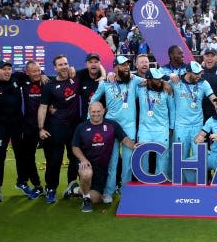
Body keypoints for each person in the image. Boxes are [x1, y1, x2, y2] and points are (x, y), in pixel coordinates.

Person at [90, 55, 145, 203]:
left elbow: (150, 82)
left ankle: (125, 189)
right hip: (111, 127)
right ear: (115, 68)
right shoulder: (106, 83)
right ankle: (109, 191)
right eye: (122, 65)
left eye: (127, 64)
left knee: (127, 162)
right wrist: (91, 121)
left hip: (129, 128)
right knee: (112, 161)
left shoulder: (134, 80)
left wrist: (170, 80)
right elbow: (94, 100)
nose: (126, 67)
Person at [72, 102, 139, 213]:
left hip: (101, 168)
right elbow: (75, 147)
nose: (96, 114)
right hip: (86, 163)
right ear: (89, 111)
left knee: (96, 198)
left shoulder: (112, 125)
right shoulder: (81, 127)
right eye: (93, 112)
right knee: (86, 173)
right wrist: (83, 159)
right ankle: (85, 200)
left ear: (103, 111)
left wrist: (133, 146)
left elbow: (124, 139)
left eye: (98, 111)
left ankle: (74, 189)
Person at [38, 55, 82, 204]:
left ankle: (71, 186)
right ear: (55, 68)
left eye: (66, 63)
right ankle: (51, 189)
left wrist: (105, 73)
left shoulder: (76, 78)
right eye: (60, 65)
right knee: (54, 160)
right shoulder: (49, 85)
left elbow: (95, 68)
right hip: (56, 128)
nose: (64, 66)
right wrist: (41, 128)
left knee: (74, 159)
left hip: (74, 128)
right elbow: (43, 107)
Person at [0, 61, 28, 202]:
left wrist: (41, 75)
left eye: (9, 69)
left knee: (21, 155)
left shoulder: (17, 78)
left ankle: (22, 182)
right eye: (3, 69)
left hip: (17, 124)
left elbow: (33, 72)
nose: (7, 71)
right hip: (0, 126)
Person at [170, 61, 216, 163]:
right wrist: (170, 75)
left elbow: (213, 98)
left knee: (200, 158)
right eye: (196, 73)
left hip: (197, 126)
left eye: (200, 73)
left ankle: (199, 179)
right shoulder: (176, 81)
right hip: (181, 126)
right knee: (180, 158)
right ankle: (180, 179)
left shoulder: (203, 83)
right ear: (188, 72)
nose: (199, 75)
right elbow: (158, 81)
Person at [136, 69, 173, 178]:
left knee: (163, 158)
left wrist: (171, 127)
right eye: (156, 79)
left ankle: (160, 184)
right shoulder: (140, 89)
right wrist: (109, 74)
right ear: (148, 79)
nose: (159, 81)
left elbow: (172, 110)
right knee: (142, 157)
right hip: (144, 129)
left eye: (160, 79)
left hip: (162, 129)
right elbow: (129, 80)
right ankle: (144, 184)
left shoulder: (166, 90)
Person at [20, 61, 47, 200]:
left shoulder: (46, 80)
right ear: (27, 72)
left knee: (51, 156)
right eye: (34, 71)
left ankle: (51, 187)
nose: (37, 73)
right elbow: (7, 77)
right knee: (29, 157)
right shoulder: (21, 79)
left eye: (39, 70)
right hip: (30, 125)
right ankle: (37, 186)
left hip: (47, 126)